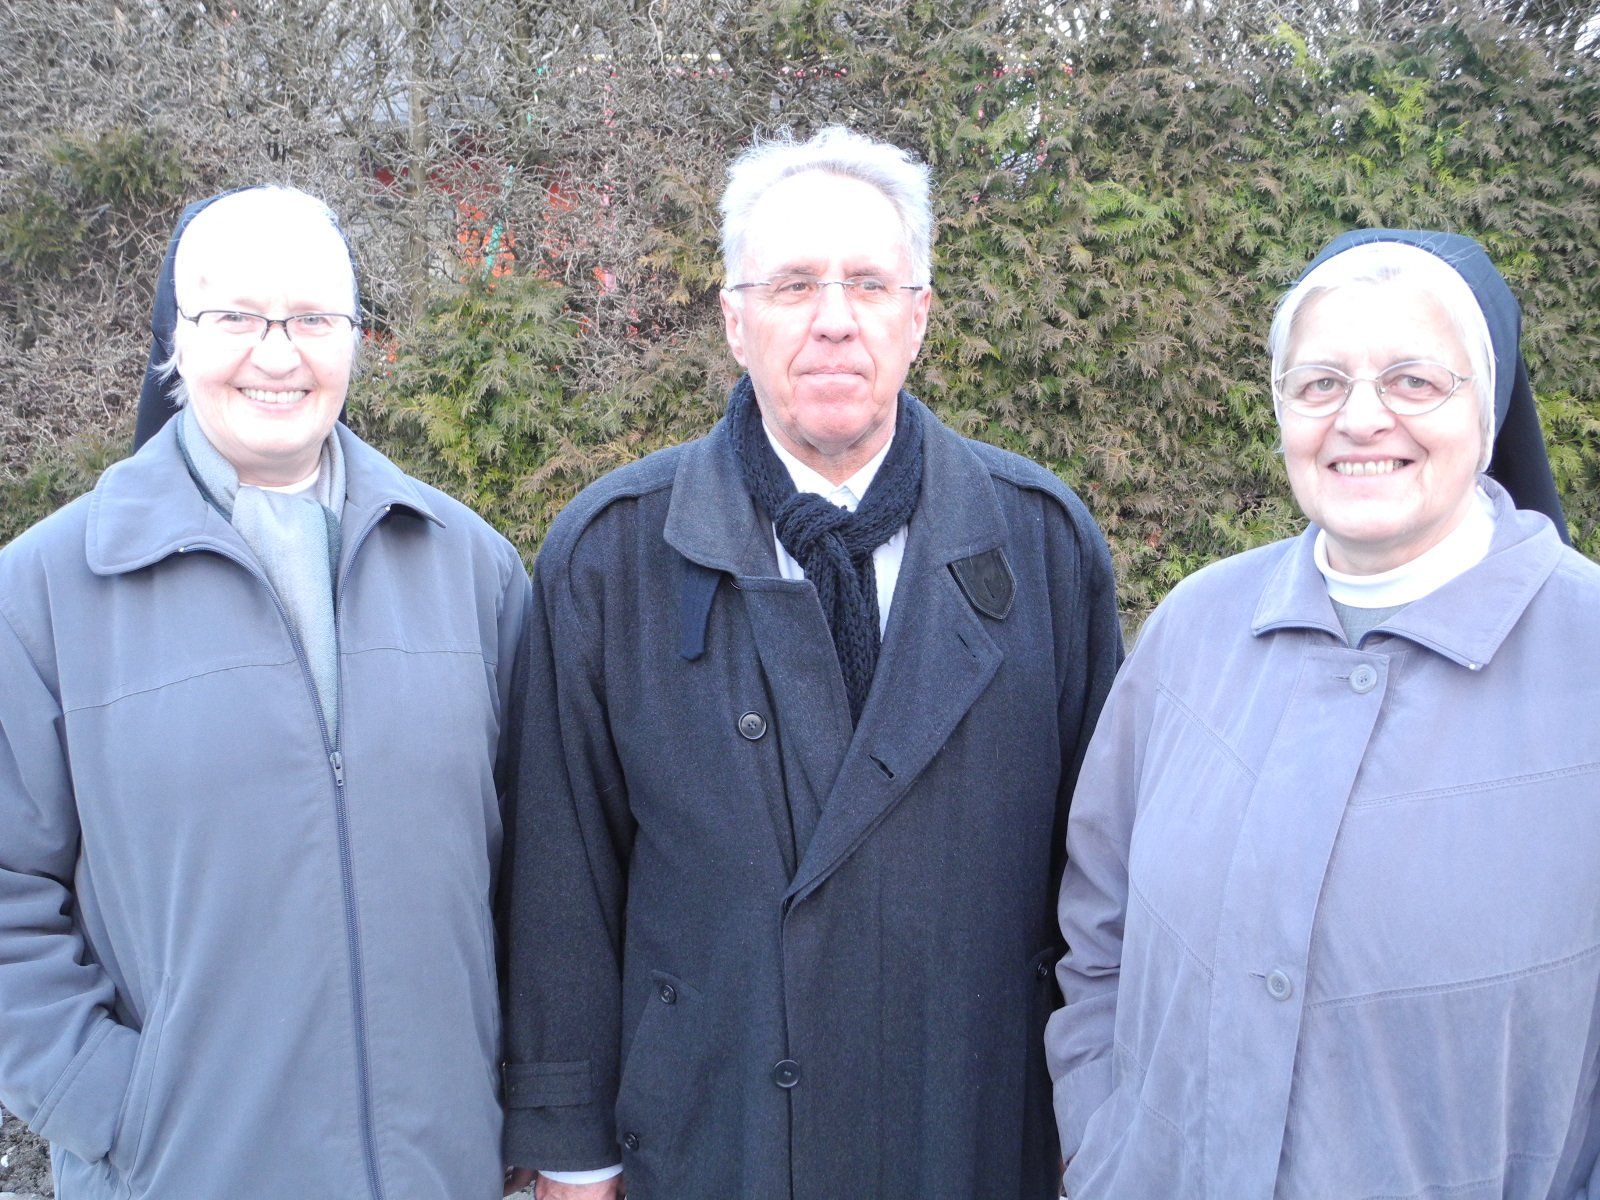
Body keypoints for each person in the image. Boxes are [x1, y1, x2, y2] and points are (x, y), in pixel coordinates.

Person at [500, 126, 1123, 1200]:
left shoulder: (1043, 543)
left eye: (869, 284)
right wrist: (571, 1152)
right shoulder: (609, 554)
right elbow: (564, 881)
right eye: (792, 285)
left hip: (971, 1129)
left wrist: (1097, 1115)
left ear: (917, 317)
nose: (834, 318)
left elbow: (1101, 877)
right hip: (715, 1133)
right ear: (734, 319)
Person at [0, 185, 531, 1198]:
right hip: (186, 1170)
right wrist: (110, 1103)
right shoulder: (42, 596)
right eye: (237, 316)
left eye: (315, 318)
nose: (279, 354)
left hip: (441, 1169)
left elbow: (541, 877)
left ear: (357, 338)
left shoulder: (473, 569)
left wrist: (519, 1098)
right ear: (178, 339)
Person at [1045, 229, 1597, 1198]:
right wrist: (1104, 1147)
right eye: (1320, 383)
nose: (1361, 418)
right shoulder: (1195, 628)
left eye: (1414, 381)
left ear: (1488, 407)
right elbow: (1099, 930)